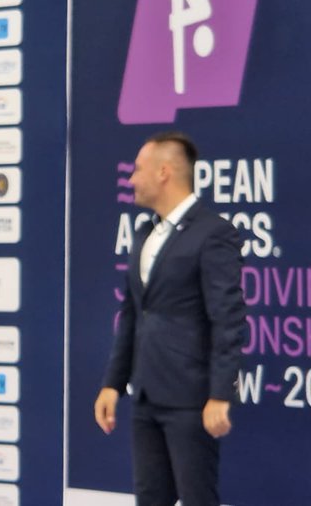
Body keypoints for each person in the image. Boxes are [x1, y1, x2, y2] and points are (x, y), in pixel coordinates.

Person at [93, 131, 246, 506]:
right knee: (150, 497)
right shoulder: (145, 232)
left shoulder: (213, 233)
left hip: (191, 399)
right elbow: (132, 313)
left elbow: (227, 318)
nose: (131, 179)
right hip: (146, 394)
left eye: (138, 169)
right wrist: (113, 383)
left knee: (197, 499)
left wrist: (219, 394)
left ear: (164, 172)